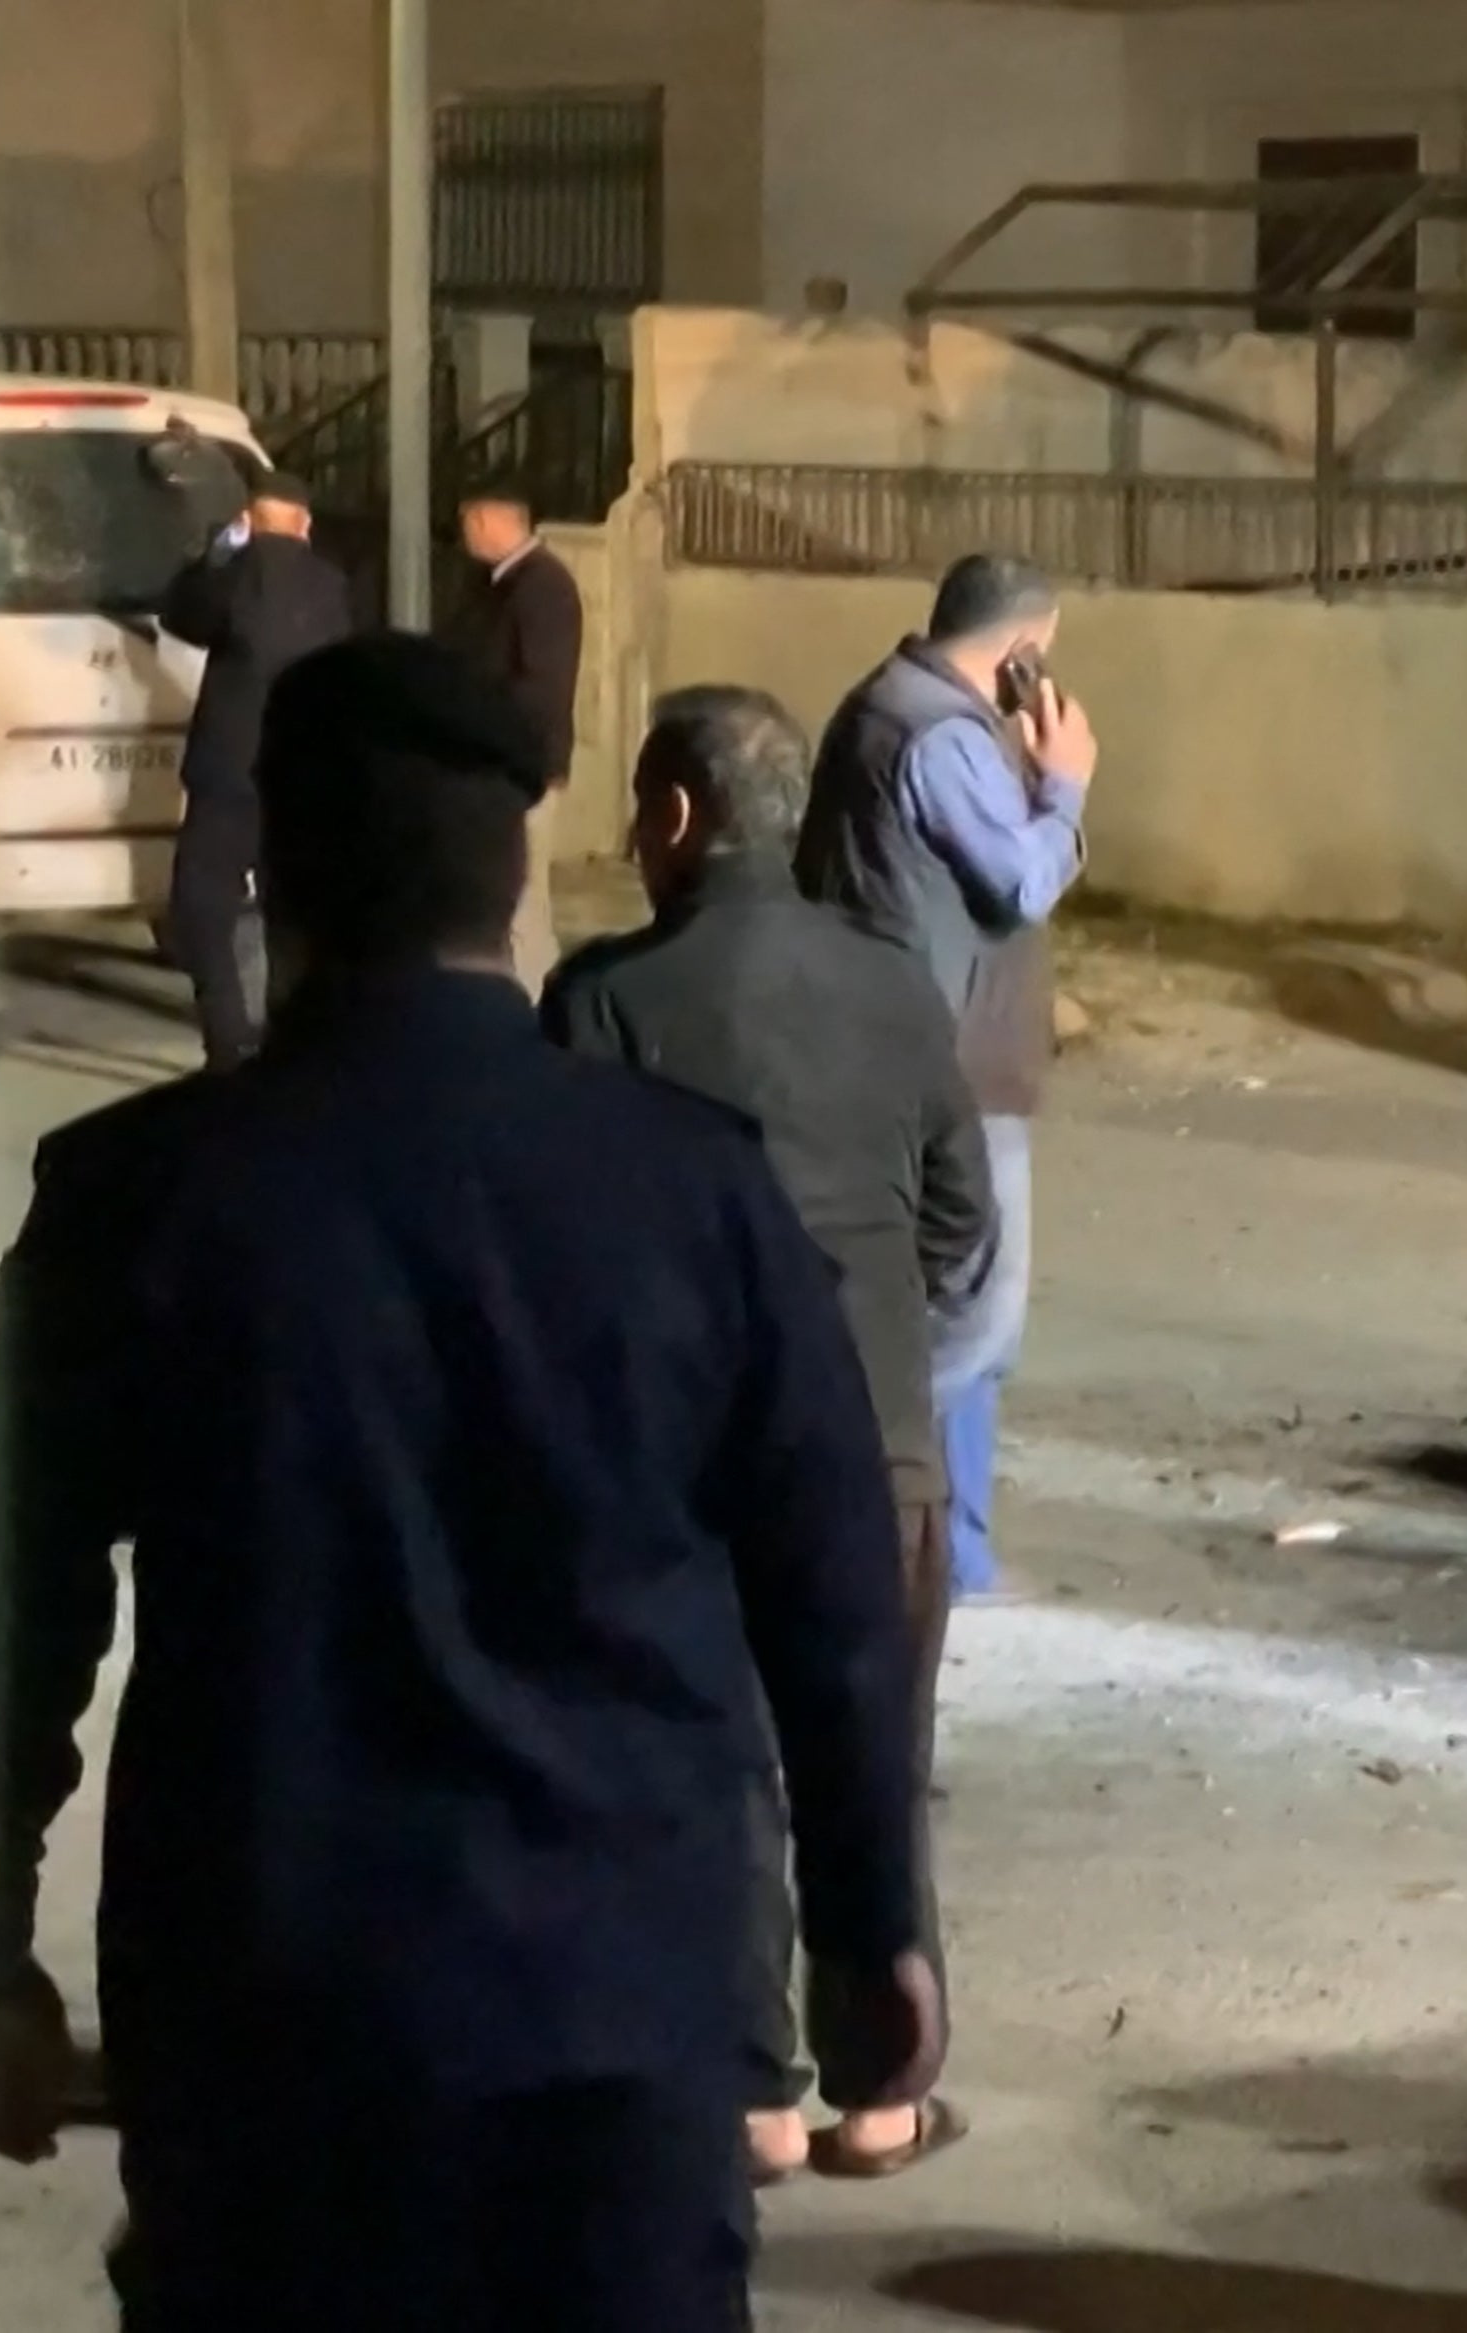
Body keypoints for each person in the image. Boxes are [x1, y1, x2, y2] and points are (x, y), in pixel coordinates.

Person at [0, 634, 937, 2325]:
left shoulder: (135, 1198)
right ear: (512, 880)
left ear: (273, 873)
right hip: (613, 2046)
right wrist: (870, 1939)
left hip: (262, 2057)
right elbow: (837, 1597)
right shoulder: (695, 1199)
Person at [543, 684, 995, 2186]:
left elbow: (579, 1236)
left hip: (688, 1457)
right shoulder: (895, 986)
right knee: (878, 1758)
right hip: (877, 1439)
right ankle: (883, 2092)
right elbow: (958, 1222)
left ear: (674, 819)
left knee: (723, 1765)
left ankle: (751, 2098)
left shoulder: (605, 998)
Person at [801, 554, 1093, 1606]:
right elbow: (1019, 881)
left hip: (906, 1048)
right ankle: (860, 1499)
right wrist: (1063, 784)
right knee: (972, 1316)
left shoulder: (884, 703)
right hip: (949, 1067)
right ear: (1020, 650)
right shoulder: (939, 737)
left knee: (953, 1307)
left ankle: (955, 1546)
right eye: (1043, 655)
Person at [157, 460, 351, 1068]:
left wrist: (217, 553)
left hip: (229, 773)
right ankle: (294, 1032)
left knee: (203, 903)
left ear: (250, 520)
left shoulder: (235, 574)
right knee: (290, 907)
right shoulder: (331, 583)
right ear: (306, 524)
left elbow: (181, 616)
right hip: (302, 771)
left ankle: (227, 1036)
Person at [444, 476, 587, 994]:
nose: (464, 535)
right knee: (503, 900)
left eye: (468, 522)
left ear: (489, 519)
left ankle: (535, 1008)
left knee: (524, 905)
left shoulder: (540, 586)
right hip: (496, 766)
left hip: (519, 767)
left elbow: (539, 687)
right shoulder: (496, 584)